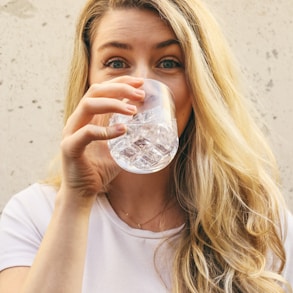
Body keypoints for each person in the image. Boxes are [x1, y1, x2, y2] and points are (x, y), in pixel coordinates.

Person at [0, 0, 292, 292]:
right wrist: (77, 200)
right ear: (88, 80)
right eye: (116, 63)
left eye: (168, 63)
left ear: (200, 86)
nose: (141, 89)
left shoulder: (257, 222)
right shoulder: (34, 215)